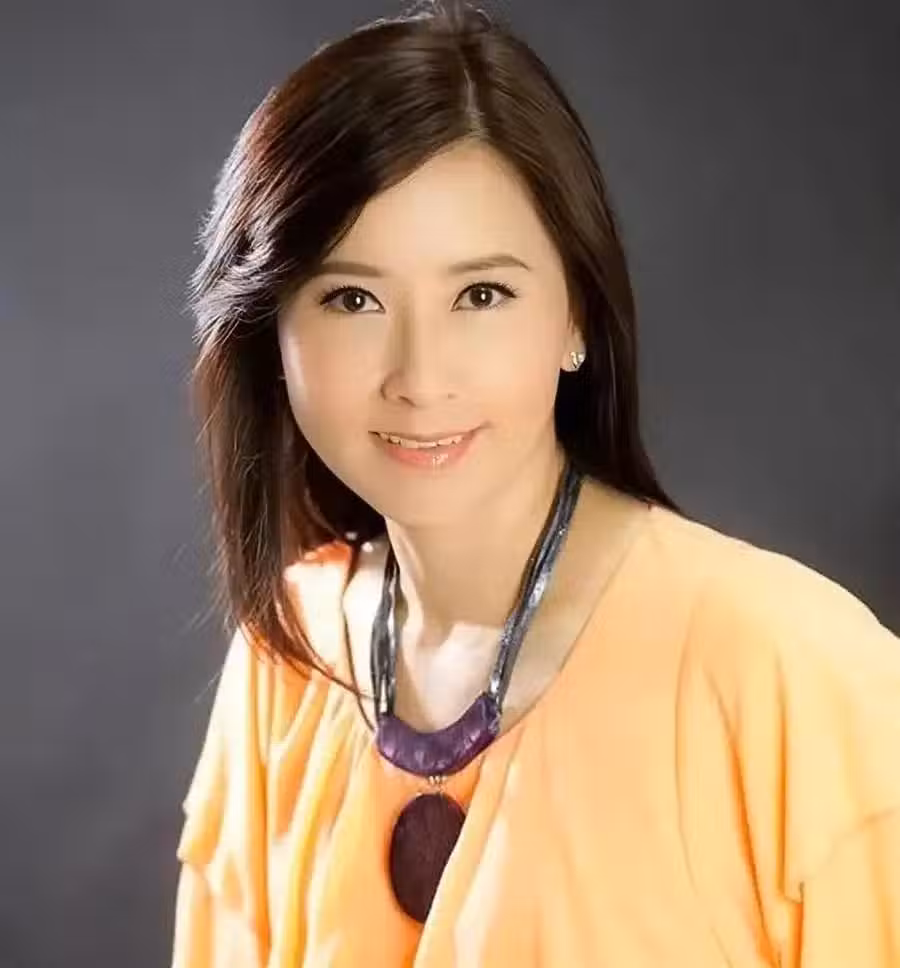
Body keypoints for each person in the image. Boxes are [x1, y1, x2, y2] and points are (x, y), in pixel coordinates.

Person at [170, 2, 900, 965]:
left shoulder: (793, 668)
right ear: (271, 335)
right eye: (352, 298)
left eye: (482, 294)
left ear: (576, 317)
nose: (421, 377)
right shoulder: (290, 650)